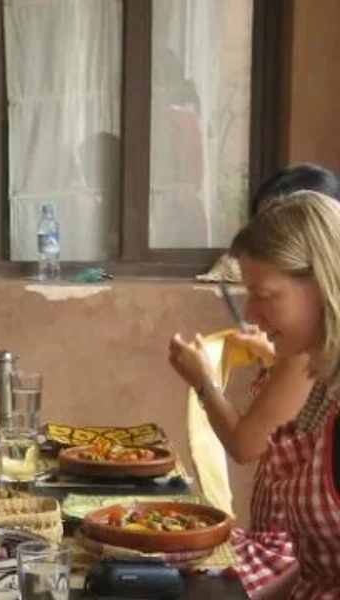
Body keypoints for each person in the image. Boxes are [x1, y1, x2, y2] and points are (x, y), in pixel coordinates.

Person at [168, 164, 340, 597]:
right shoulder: (325, 386)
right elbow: (318, 569)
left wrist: (205, 381)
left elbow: (245, 445)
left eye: (264, 296)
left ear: (324, 285)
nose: (250, 316)